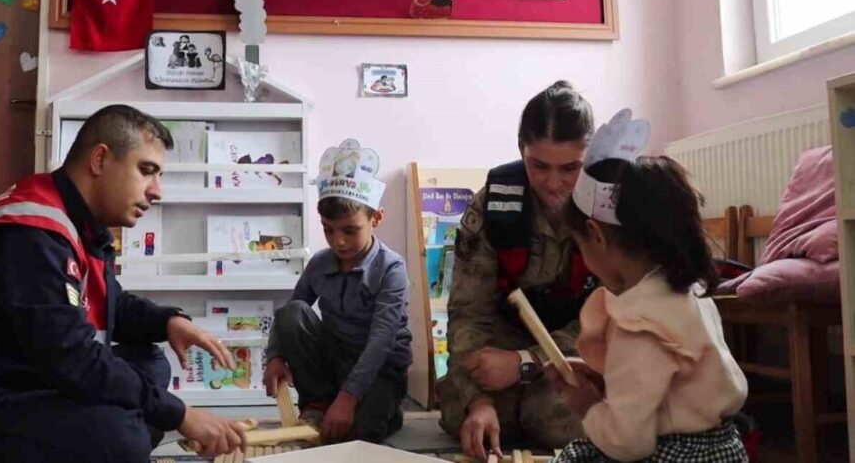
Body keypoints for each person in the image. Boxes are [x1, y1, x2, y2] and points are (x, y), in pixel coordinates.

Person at [0, 105, 248, 463]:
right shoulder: (30, 232)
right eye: (147, 171)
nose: (157, 191)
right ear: (100, 159)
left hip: (13, 378)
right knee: (120, 439)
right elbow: (71, 357)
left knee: (151, 364)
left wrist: (169, 321)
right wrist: (180, 414)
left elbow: (110, 302)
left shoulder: (73, 220)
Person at [548, 110, 748, 462]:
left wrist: (588, 405)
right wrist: (603, 372)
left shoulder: (637, 324)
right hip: (724, 449)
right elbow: (674, 384)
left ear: (596, 235)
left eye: (580, 246)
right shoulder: (689, 293)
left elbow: (628, 443)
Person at [436, 81, 597, 459]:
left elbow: (615, 316)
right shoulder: (493, 204)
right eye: (538, 166)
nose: (554, 184)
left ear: (589, 158)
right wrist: (478, 400)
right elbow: (468, 312)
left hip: (584, 351)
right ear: (520, 149)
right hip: (503, 341)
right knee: (464, 413)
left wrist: (528, 362)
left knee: (555, 419)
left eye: (570, 168)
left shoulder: (609, 209)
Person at [263, 139, 412, 444]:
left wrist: (348, 398)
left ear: (376, 219)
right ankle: (318, 401)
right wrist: (275, 356)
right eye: (328, 230)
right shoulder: (320, 262)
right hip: (333, 361)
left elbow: (381, 342)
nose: (338, 241)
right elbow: (291, 313)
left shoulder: (392, 269)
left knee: (354, 435)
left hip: (379, 367)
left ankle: (385, 410)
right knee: (293, 314)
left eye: (350, 230)